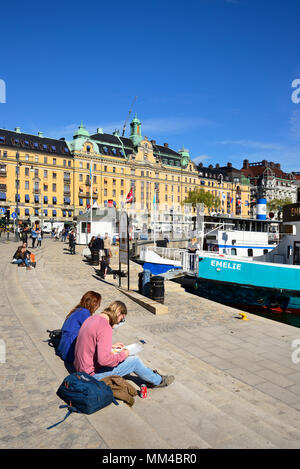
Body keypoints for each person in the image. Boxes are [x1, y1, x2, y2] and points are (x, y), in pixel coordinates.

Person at [74, 300, 174, 388]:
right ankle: (158, 381)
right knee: (134, 360)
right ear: (118, 313)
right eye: (121, 319)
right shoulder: (105, 326)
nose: (119, 323)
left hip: (80, 368)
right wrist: (124, 354)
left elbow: (91, 343)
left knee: (124, 356)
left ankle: (151, 375)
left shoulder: (93, 318)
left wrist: (111, 347)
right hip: (91, 376)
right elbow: (104, 360)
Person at [56, 291, 102, 373]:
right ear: (94, 304)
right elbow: (93, 332)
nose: (98, 306)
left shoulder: (78, 310)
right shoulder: (84, 313)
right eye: (98, 304)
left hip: (63, 348)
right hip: (69, 353)